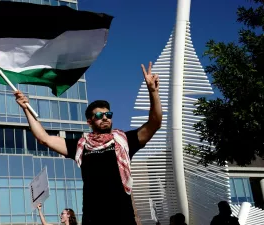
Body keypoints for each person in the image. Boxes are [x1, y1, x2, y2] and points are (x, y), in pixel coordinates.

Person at [15, 62, 162, 225]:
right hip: (93, 218)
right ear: (90, 121)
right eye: (99, 115)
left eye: (108, 114)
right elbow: (44, 138)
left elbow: (154, 123)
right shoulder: (81, 145)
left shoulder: (125, 141)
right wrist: (26, 109)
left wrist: (153, 91)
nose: (105, 117)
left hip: (123, 217)